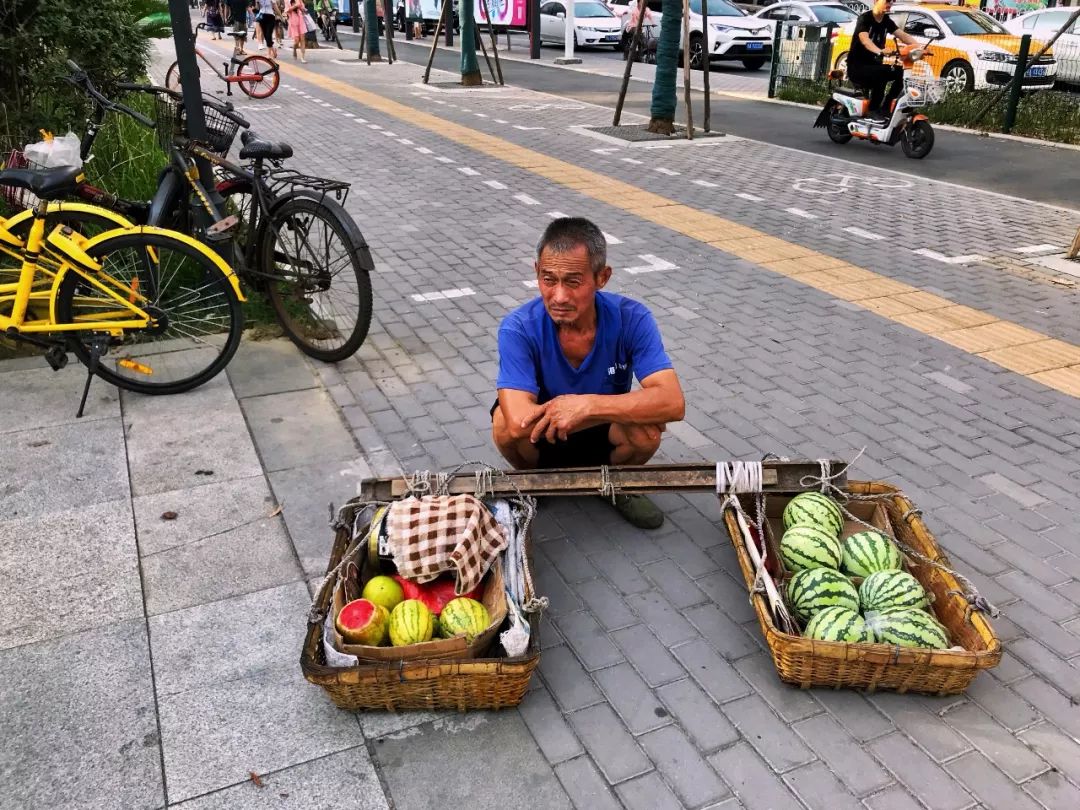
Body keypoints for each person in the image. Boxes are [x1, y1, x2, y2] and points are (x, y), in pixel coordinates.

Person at [492, 217, 685, 529]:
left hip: (604, 430)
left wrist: (587, 407)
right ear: (536, 272)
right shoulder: (519, 326)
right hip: (546, 435)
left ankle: (615, 484)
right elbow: (517, 420)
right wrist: (565, 411)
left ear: (602, 277)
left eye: (573, 281)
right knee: (502, 422)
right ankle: (536, 482)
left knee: (648, 429)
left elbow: (673, 402)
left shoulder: (632, 318)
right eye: (548, 279)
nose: (559, 296)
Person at [846, 0, 919, 121]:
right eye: (887, 1)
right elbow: (865, 40)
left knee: (900, 72)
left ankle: (886, 108)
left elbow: (903, 35)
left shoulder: (886, 20)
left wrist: (919, 47)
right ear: (876, 1)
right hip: (857, 67)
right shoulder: (864, 19)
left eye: (892, 1)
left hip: (874, 65)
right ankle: (872, 110)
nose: (889, 4)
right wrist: (879, 51)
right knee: (882, 73)